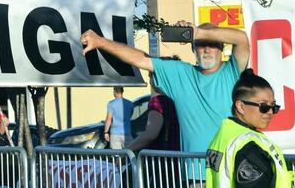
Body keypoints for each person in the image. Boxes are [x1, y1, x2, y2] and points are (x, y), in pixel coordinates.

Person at [81, 22, 249, 155]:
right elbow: (141, 60)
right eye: (200, 44)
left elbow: (242, 39)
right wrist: (101, 42)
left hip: (231, 172)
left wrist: (198, 33)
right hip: (196, 174)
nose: (206, 49)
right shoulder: (182, 74)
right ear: (193, 48)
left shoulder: (231, 72)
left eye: (212, 44)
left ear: (221, 48)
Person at [128, 72, 180, 153]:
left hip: (161, 158)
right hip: (179, 156)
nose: (149, 78)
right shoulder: (178, 100)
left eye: (150, 76)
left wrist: (127, 150)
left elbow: (151, 134)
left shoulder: (157, 102)